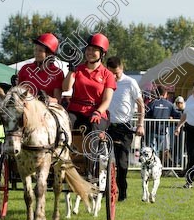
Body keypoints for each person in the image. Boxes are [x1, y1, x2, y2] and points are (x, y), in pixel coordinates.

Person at [105, 56, 145, 202]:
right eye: (111, 73)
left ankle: (122, 191)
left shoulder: (130, 82)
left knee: (122, 163)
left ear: (122, 69)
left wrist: (140, 124)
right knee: (102, 160)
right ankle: (104, 189)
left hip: (125, 127)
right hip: (107, 126)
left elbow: (141, 104)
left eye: (116, 73)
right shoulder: (105, 80)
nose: (114, 76)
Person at [62, 33, 116, 134]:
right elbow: (65, 88)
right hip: (75, 111)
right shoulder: (78, 69)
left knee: (94, 127)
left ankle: (92, 149)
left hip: (96, 112)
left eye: (94, 50)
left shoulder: (108, 75)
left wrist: (98, 112)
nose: (90, 52)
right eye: (88, 49)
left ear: (102, 53)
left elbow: (106, 101)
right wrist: (71, 70)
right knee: (64, 125)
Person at [17, 33, 64, 102]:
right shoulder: (25, 68)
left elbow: (57, 100)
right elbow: (17, 93)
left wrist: (46, 99)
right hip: (25, 107)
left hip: (45, 109)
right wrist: (14, 85)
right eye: (35, 49)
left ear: (49, 54)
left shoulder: (57, 73)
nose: (36, 53)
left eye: (40, 51)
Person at [145, 85, 181, 158]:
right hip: (162, 131)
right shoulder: (169, 104)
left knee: (150, 149)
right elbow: (178, 115)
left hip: (151, 130)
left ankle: (152, 165)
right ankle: (155, 164)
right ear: (165, 94)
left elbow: (146, 115)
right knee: (157, 150)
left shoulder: (152, 103)